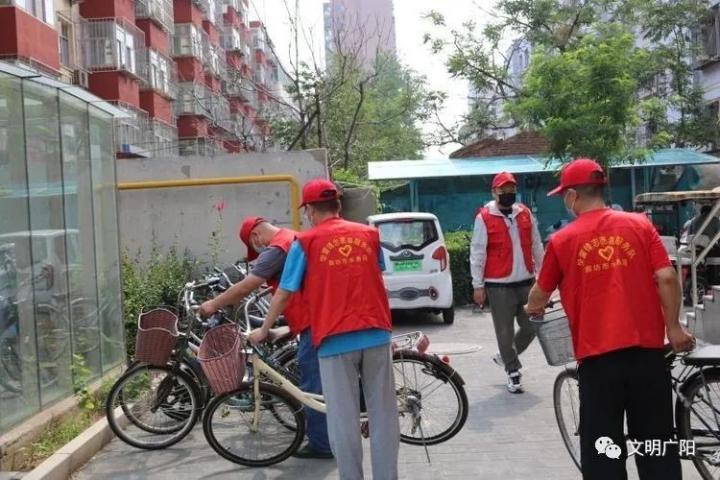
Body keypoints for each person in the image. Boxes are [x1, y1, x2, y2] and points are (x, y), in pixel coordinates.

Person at [524, 158, 695, 480]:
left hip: (598, 362)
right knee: (656, 444)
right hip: (648, 356)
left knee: (603, 451)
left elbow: (539, 294)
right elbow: (667, 277)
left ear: (572, 195)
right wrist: (673, 328)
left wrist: (533, 307)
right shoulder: (640, 225)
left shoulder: (562, 240)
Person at [249, 179, 399, 480]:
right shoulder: (370, 235)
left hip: (333, 340)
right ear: (338, 205)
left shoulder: (304, 243)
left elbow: (284, 292)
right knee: (383, 416)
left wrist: (264, 329)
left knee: (343, 420)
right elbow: (377, 278)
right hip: (376, 333)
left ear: (309, 211)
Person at [199, 216, 332, 459]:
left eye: (254, 245)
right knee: (321, 379)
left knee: (312, 384)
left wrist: (213, 304)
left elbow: (247, 286)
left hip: (313, 322)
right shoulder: (290, 237)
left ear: (256, 236)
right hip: (316, 316)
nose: (258, 249)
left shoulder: (276, 249)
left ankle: (322, 444)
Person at [470, 171, 544, 393]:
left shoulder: (524, 213)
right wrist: (478, 285)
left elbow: (536, 244)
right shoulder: (484, 217)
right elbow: (477, 252)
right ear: (494, 192)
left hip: (526, 281)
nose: (508, 193)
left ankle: (506, 356)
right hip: (498, 285)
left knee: (533, 325)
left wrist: (543, 275)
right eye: (503, 190)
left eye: (511, 189)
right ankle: (513, 371)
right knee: (505, 332)